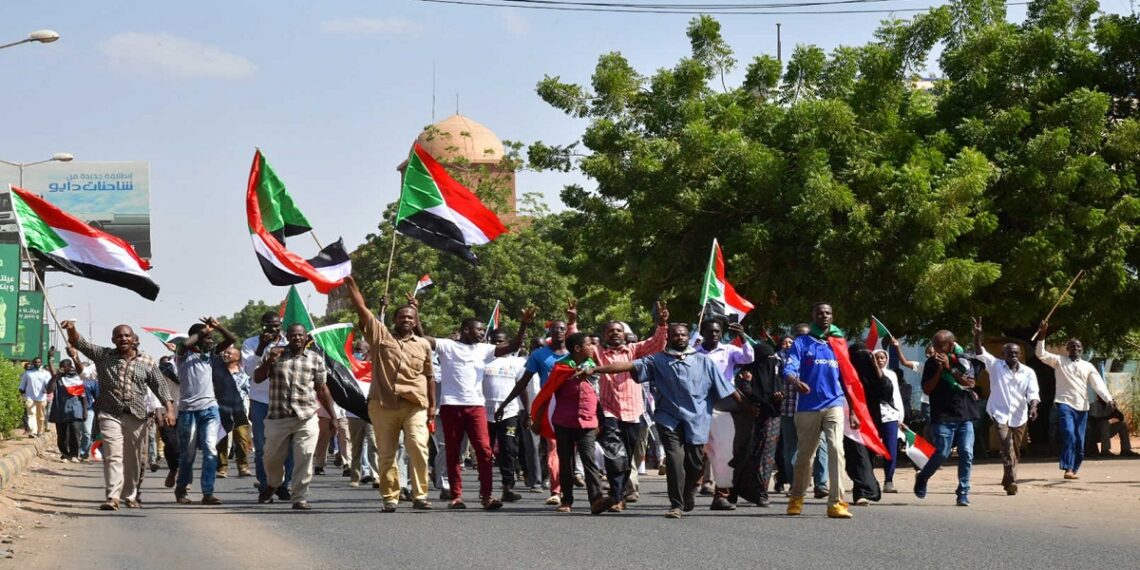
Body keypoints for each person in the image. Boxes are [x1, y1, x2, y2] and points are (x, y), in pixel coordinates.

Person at [583, 323, 754, 519]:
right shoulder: (657, 360)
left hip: (697, 420)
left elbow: (727, 387)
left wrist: (746, 406)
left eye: (683, 335)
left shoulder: (703, 361)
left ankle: (688, 491)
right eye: (675, 335)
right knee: (674, 459)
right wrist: (597, 369)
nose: (680, 338)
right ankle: (676, 504)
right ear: (669, 338)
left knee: (695, 464)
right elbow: (628, 365)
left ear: (686, 337)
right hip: (668, 418)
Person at [417, 297, 535, 510]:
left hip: (476, 406)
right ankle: (456, 496)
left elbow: (515, 345)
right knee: (453, 452)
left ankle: (487, 496)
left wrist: (524, 324)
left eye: (483, 330)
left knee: (484, 450)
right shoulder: (447, 346)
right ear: (465, 330)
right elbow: (422, 339)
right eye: (478, 330)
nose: (482, 333)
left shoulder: (485, 350)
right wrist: (416, 314)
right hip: (451, 406)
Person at [341, 277, 435, 512]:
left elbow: (430, 376)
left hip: (415, 404)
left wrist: (432, 406)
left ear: (415, 322)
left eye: (410, 317)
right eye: (402, 316)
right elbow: (362, 309)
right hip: (383, 404)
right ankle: (390, 497)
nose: (406, 320)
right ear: (394, 320)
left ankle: (420, 495)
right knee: (386, 453)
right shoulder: (380, 336)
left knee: (417, 446)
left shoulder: (423, 344)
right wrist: (351, 284)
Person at [64, 320, 175, 511]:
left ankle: (130, 495)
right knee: (113, 455)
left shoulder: (147, 361)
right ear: (113, 340)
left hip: (137, 415)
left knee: (133, 459)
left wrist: (169, 409)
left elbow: (160, 386)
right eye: (119, 336)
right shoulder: (103, 355)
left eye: (126, 335)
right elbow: (80, 343)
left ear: (133, 339)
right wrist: (72, 329)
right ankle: (113, 497)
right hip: (109, 413)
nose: (123, 338)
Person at [494, 302, 579, 506]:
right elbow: (522, 381)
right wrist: (505, 403)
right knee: (554, 447)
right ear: (549, 331)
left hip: (575, 405)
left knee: (571, 449)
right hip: (551, 405)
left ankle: (576, 481)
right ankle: (557, 490)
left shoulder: (575, 353)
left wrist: (573, 320)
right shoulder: (539, 355)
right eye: (554, 328)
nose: (558, 331)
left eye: (562, 328)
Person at [783, 303, 858, 520]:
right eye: (819, 312)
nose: (824, 316)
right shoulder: (802, 342)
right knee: (805, 456)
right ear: (813, 315)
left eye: (828, 313)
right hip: (807, 407)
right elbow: (790, 367)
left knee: (836, 450)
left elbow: (848, 380)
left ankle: (836, 503)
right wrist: (794, 380)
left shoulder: (839, 344)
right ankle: (796, 497)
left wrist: (852, 410)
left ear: (832, 316)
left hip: (834, 404)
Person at [590, 303, 669, 508]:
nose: (615, 334)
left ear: (624, 335)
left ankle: (619, 494)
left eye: (619, 331)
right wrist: (572, 323)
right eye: (611, 331)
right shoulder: (597, 352)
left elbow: (657, 345)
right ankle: (616, 498)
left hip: (633, 412)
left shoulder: (634, 350)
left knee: (626, 457)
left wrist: (662, 324)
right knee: (614, 455)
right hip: (608, 412)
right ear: (604, 335)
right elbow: (577, 349)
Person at [254, 323, 339, 510]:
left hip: (306, 416)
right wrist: (269, 362)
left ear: (306, 338)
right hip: (278, 415)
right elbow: (257, 378)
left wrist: (333, 416)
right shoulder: (274, 354)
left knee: (305, 456)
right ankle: (273, 483)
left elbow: (322, 389)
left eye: (300, 335)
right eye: (293, 335)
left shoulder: (315, 359)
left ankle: (299, 497)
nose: (297, 338)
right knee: (271, 458)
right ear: (288, 337)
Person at [531, 332, 614, 514]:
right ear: (577, 349)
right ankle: (566, 500)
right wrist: (537, 420)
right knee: (566, 462)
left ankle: (596, 500)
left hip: (587, 422)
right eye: (589, 344)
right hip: (564, 422)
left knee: (589, 461)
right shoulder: (560, 367)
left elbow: (597, 395)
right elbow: (547, 394)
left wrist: (600, 421)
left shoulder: (593, 366)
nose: (593, 347)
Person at [1034, 320, 1115, 480]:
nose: (1075, 349)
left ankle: (1074, 468)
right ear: (1067, 349)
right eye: (1072, 346)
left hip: (1082, 407)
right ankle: (1068, 467)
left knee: (1079, 439)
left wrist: (1109, 399)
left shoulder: (1087, 366)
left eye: (1078, 346)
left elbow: (1098, 384)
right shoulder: (1059, 361)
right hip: (1064, 404)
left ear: (1082, 349)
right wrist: (1042, 333)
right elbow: (1040, 354)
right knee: (1069, 434)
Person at [173, 317, 236, 505]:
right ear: (198, 337)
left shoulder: (210, 355)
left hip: (210, 409)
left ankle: (208, 492)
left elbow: (230, 339)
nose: (211, 341)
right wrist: (203, 332)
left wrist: (217, 326)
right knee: (188, 454)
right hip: (188, 412)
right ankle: (182, 489)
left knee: (210, 450)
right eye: (208, 338)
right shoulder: (182, 353)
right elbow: (185, 343)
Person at [972, 317, 1039, 495]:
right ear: (1004, 354)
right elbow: (980, 352)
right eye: (1010, 353)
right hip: (999, 412)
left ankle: (1007, 476)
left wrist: (1033, 407)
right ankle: (1012, 481)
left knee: (1015, 449)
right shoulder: (995, 366)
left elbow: (1033, 393)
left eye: (1017, 353)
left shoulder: (1028, 372)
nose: (1014, 356)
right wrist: (977, 335)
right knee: (1007, 444)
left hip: (1020, 414)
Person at [693, 317, 754, 510]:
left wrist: (743, 337)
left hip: (725, 405)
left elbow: (749, 357)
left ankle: (721, 496)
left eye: (717, 331)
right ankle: (689, 489)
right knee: (696, 450)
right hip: (699, 405)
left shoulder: (729, 351)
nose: (713, 334)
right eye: (709, 331)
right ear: (702, 332)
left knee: (723, 452)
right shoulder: (693, 352)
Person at [914, 330, 978, 506]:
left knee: (966, 452)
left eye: (940, 345)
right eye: (934, 344)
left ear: (951, 345)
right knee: (942, 452)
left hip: (964, 414)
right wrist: (940, 370)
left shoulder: (964, 361)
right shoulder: (931, 364)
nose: (936, 349)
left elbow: (970, 383)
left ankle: (963, 492)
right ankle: (923, 477)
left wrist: (950, 368)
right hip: (942, 415)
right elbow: (927, 389)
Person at [241, 312, 292, 501]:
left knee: (288, 446)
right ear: (262, 326)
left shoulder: (290, 341)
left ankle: (284, 485)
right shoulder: (251, 343)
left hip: (285, 400)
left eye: (276, 326)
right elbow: (249, 371)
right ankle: (265, 485)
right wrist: (262, 347)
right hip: (260, 400)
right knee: (262, 448)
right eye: (269, 326)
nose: (273, 330)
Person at [778, 325, 829, 499]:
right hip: (790, 409)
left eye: (807, 336)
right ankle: (795, 485)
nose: (804, 339)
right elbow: (776, 379)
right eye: (799, 336)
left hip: (815, 408)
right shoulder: (782, 357)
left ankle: (821, 484)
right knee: (791, 449)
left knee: (821, 446)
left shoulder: (820, 353)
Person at [732, 338, 784, 507]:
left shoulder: (777, 372)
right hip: (749, 418)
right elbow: (743, 391)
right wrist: (747, 386)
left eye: (771, 358)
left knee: (766, 457)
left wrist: (779, 397)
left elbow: (782, 391)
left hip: (772, 417)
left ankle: (761, 492)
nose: (770, 363)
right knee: (745, 455)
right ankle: (735, 489)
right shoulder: (745, 374)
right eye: (765, 359)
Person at [482, 329, 528, 503]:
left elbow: (521, 387)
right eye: (494, 341)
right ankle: (485, 488)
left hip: (509, 412)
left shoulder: (516, 363)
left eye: (501, 341)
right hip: (485, 413)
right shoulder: (483, 360)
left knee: (508, 449)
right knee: (485, 452)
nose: (497, 344)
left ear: (508, 343)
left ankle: (508, 487)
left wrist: (527, 412)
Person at [846, 343, 888, 506]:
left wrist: (876, 366)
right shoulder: (846, 374)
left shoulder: (874, 375)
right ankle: (862, 492)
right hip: (852, 419)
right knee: (856, 455)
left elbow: (885, 390)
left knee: (868, 456)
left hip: (872, 422)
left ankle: (866, 488)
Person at [217, 345, 253, 478]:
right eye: (224, 353)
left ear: (237, 358)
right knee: (222, 440)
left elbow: (249, 393)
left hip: (239, 412)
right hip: (221, 410)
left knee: (242, 440)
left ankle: (243, 467)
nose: (225, 355)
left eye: (229, 353)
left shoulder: (244, 375)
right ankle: (222, 468)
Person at [46, 347, 86, 462]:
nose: (62, 368)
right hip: (60, 410)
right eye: (61, 366)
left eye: (64, 366)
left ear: (70, 367)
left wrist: (84, 411)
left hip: (75, 411)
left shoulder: (77, 378)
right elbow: (49, 389)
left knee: (75, 433)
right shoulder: (57, 378)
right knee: (62, 435)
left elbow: (82, 397)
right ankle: (65, 454)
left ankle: (74, 455)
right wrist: (50, 358)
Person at [872, 346, 903, 493]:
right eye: (876, 357)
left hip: (890, 416)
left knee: (891, 449)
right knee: (870, 449)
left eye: (882, 358)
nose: (879, 360)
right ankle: (869, 480)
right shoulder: (867, 374)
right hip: (872, 416)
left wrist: (899, 416)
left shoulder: (891, 375)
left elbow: (896, 396)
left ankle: (889, 480)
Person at [157, 356, 181, 487]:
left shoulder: (196, 365)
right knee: (171, 444)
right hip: (167, 412)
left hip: (189, 412)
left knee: (186, 447)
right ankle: (173, 468)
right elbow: (156, 391)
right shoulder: (165, 368)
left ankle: (183, 476)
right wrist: (158, 413)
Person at [19, 356, 52, 437]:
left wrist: (46, 389)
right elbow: (22, 384)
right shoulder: (28, 373)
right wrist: (21, 392)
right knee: (31, 414)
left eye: (39, 362)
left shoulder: (46, 373)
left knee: (40, 415)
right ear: (33, 363)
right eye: (36, 362)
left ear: (41, 363)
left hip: (41, 397)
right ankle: (33, 431)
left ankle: (40, 431)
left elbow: (49, 384)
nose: (37, 363)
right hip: (30, 396)